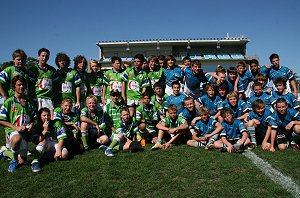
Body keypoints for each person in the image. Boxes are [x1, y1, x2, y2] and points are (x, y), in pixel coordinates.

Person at [0, 75, 35, 172]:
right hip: (13, 131)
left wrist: (32, 124)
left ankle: (4, 152)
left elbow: (34, 118)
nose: (22, 87)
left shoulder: (29, 103)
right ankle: (13, 161)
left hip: (25, 133)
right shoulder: (8, 102)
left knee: (23, 161)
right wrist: (16, 127)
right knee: (16, 138)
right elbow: (1, 120)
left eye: (23, 85)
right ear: (13, 87)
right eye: (19, 85)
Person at [31, 107, 69, 172]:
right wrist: (45, 130)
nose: (46, 117)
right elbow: (36, 140)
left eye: (48, 115)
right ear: (40, 116)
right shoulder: (37, 126)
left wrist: (59, 150)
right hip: (44, 144)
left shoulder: (56, 123)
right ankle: (35, 162)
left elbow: (61, 137)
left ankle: (50, 156)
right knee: (44, 140)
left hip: (54, 143)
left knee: (64, 155)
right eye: (44, 115)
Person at [29, 48, 57, 118]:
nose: (44, 58)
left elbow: (54, 86)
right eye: (43, 56)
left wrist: (54, 99)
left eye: (47, 56)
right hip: (38, 98)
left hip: (49, 99)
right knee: (37, 119)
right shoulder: (33, 69)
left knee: (50, 119)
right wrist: (31, 98)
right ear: (39, 56)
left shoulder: (52, 70)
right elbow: (31, 85)